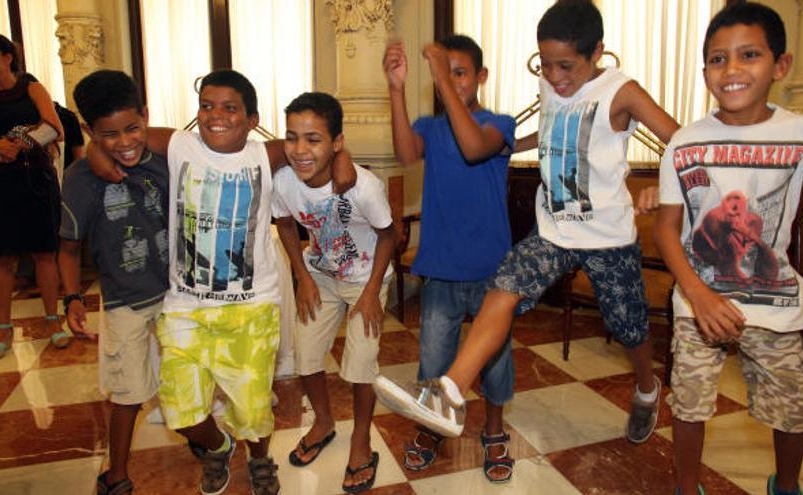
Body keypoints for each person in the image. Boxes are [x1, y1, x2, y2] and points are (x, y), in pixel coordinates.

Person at [373, 0, 679, 446]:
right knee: (504, 288)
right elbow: (557, 129)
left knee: (628, 326)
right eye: (545, 64)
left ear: (598, 52)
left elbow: (684, 142)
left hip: (607, 237)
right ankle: (450, 393)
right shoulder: (552, 85)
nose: (554, 77)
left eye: (566, 66)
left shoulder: (621, 91)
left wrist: (665, 190)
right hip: (554, 231)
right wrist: (512, 145)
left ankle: (647, 389)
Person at [87, 68, 355, 495]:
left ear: (251, 119)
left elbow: (319, 145)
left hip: (252, 305)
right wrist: (94, 153)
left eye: (230, 108)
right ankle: (217, 446)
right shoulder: (178, 144)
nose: (216, 116)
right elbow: (116, 136)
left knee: (253, 407)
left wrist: (342, 159)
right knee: (181, 411)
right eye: (207, 106)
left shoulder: (264, 155)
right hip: (185, 307)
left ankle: (260, 459)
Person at [653, 4, 803, 495]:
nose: (732, 70)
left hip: (775, 304)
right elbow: (667, 230)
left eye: (749, 55)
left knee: (792, 410)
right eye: (718, 59)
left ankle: (788, 484)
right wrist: (697, 295)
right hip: (698, 301)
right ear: (704, 72)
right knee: (690, 405)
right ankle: (686, 484)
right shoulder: (685, 143)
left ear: (781, 65)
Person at [382, 35, 517, 482]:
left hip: (493, 272)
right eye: (446, 73)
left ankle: (494, 431)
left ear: (481, 77)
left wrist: (439, 71)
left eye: (461, 73)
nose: (451, 82)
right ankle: (431, 427)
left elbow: (474, 146)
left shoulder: (499, 124)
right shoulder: (429, 127)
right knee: (434, 361)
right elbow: (405, 155)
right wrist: (397, 89)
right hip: (440, 268)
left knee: (495, 361)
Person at [273, 92, 396, 493]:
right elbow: (287, 225)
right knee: (306, 354)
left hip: (365, 278)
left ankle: (361, 438)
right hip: (320, 276)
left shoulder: (364, 187)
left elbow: (389, 235)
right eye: (292, 137)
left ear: (337, 143)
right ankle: (323, 423)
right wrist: (302, 277)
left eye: (313, 139)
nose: (300, 150)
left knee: (360, 363)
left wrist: (372, 290)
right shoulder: (284, 181)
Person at [60, 69, 168, 495]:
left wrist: (97, 149)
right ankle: (116, 474)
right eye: (108, 135)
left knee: (186, 381)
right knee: (127, 391)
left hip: (177, 294)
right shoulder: (81, 179)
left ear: (145, 115)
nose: (124, 142)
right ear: (89, 130)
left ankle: (210, 444)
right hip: (124, 301)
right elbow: (68, 246)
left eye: (132, 128)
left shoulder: (165, 160)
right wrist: (72, 297)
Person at [0, 32, 69, 360]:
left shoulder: (31, 87)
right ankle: (3, 327)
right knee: (2, 257)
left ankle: (53, 321)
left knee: (44, 252)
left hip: (34, 177)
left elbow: (55, 128)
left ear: (7, 56)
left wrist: (20, 145)